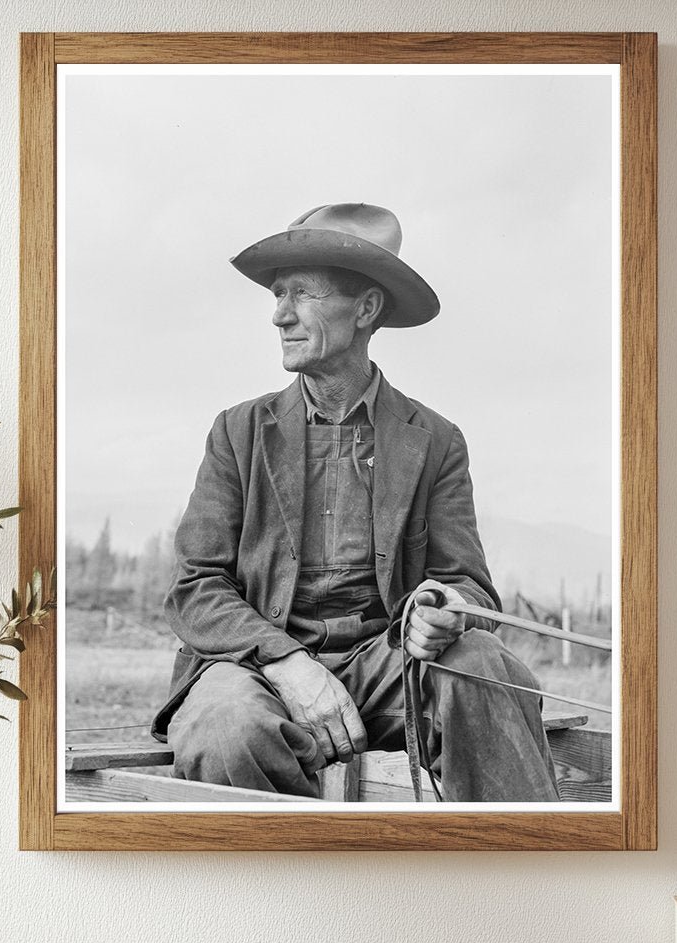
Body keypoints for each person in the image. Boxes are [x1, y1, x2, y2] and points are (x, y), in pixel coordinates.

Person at [151, 203, 560, 801]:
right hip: (255, 669)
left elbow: (467, 585)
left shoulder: (436, 441)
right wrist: (290, 664)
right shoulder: (238, 432)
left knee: (485, 667)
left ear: (366, 309)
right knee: (227, 729)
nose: (279, 315)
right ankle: (318, 889)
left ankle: (514, 876)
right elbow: (195, 588)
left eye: (302, 295)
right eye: (277, 294)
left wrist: (444, 608)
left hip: (388, 668)